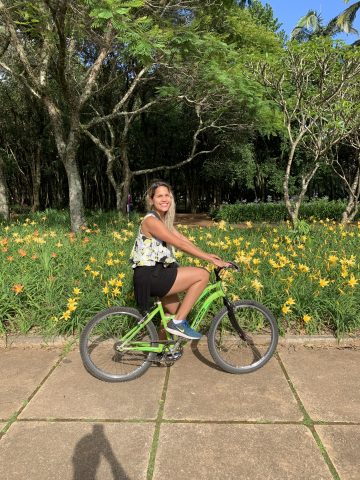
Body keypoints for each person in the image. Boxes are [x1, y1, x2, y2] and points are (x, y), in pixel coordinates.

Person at [130, 180, 229, 340]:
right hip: (151, 275)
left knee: (172, 312)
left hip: (157, 274)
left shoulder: (163, 221)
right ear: (151, 200)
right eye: (159, 196)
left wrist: (208, 255)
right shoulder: (151, 221)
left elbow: (182, 238)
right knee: (203, 275)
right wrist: (210, 262)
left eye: (167, 195)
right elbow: (180, 244)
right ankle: (179, 323)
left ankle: (159, 350)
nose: (164, 199)